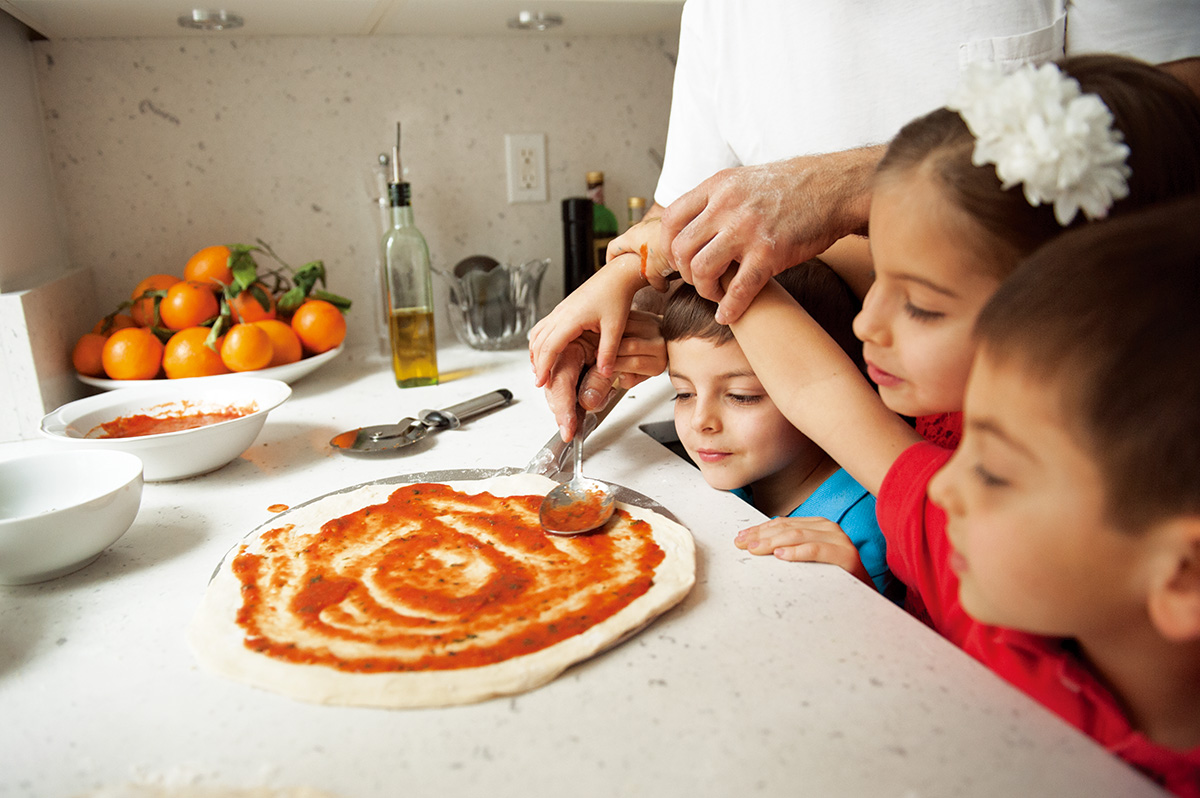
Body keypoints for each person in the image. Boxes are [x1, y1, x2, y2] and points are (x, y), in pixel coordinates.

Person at [533, 0, 1200, 438]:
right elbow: (684, 212)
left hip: (1057, 412)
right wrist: (626, 271)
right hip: (818, 431)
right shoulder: (718, 11)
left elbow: (1172, 123)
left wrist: (853, 184)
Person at [895, 196, 1200, 794]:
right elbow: (820, 393)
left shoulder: (1007, 594)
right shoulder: (1010, 611)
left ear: (1185, 574)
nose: (944, 484)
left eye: (994, 473)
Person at [661, 261, 895, 598]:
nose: (700, 421)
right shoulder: (744, 473)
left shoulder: (863, 530)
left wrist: (858, 587)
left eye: (742, 397)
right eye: (684, 393)